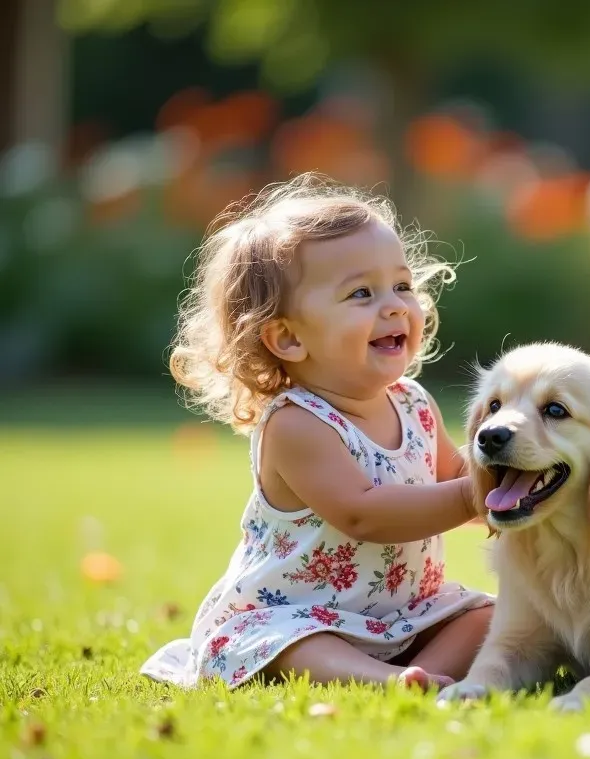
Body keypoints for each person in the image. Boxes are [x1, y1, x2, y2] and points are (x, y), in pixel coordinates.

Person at [141, 172, 493, 692]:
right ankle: (379, 679)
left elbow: (458, 474)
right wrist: (475, 496)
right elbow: (363, 512)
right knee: (300, 645)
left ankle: (422, 674)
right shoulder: (296, 423)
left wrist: (508, 485)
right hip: (299, 614)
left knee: (492, 615)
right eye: (361, 293)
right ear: (286, 337)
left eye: (401, 285)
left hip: (407, 614)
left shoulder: (414, 404)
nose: (395, 305)